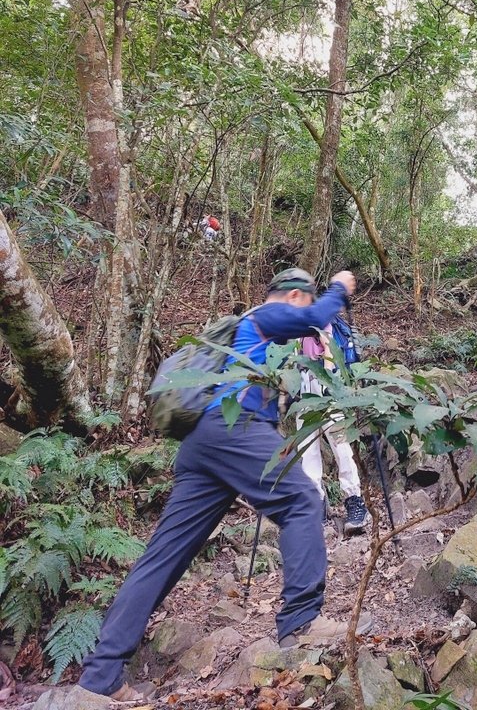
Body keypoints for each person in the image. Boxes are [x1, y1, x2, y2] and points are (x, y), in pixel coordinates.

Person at [78, 268, 371, 702]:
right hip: (233, 427)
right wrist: (340, 288)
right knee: (302, 500)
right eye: (304, 304)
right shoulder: (267, 315)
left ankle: (100, 676)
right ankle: (302, 622)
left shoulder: (247, 333)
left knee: (165, 554)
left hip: (201, 444)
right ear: (294, 297)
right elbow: (318, 318)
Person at [298, 324, 370, 535]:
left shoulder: (319, 319)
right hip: (304, 391)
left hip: (327, 389)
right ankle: (315, 502)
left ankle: (354, 499)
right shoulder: (295, 323)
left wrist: (328, 383)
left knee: (341, 445)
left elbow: (329, 353)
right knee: (307, 450)